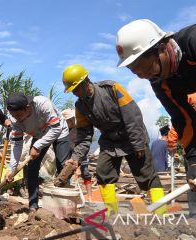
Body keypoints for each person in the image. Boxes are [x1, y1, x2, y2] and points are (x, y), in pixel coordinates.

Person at [61, 64, 166, 215]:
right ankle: (112, 214)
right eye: (72, 91)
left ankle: (161, 214)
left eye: (76, 88)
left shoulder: (111, 89)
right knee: (103, 173)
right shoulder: (80, 106)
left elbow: (132, 116)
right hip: (110, 141)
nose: (75, 93)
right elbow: (84, 136)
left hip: (131, 136)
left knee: (147, 177)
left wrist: (138, 143)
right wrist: (76, 158)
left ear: (86, 81)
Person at [116, 19, 196, 216]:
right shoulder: (160, 82)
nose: (145, 77)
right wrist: (194, 161)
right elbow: (185, 121)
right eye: (137, 73)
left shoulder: (192, 42)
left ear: (161, 48)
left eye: (148, 68)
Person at [5, 92, 71, 212]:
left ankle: (65, 206)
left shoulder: (42, 104)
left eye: (19, 114)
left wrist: (37, 146)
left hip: (58, 130)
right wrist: (12, 169)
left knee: (63, 166)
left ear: (28, 107)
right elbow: (17, 144)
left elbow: (55, 129)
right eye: (13, 115)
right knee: (32, 168)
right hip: (39, 134)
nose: (17, 118)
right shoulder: (15, 121)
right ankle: (33, 205)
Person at [61, 108, 93, 201]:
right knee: (67, 174)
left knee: (86, 174)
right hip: (69, 154)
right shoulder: (65, 130)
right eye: (68, 120)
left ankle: (90, 198)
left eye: (71, 119)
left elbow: (82, 146)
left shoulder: (79, 128)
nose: (71, 121)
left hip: (81, 154)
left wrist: (78, 167)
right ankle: (69, 197)